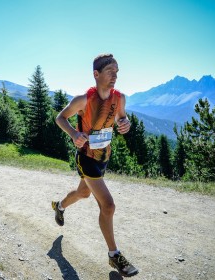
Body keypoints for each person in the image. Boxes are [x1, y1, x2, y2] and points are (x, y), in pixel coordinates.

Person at [52, 54, 138, 277]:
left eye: (117, 71)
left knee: (83, 193)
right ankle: (114, 255)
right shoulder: (83, 100)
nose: (115, 76)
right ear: (96, 74)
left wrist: (124, 123)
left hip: (104, 156)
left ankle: (59, 206)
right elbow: (60, 118)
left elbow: (120, 118)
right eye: (110, 71)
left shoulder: (120, 98)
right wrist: (73, 133)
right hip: (86, 158)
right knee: (108, 205)